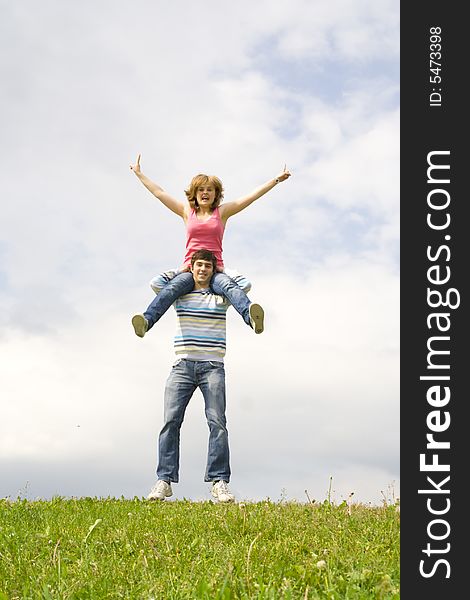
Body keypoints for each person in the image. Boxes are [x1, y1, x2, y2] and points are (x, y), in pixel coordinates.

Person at [129, 155, 291, 338]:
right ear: (195, 194)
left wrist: (276, 180)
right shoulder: (186, 212)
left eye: (209, 190)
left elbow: (251, 197)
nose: (205, 193)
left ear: (216, 194)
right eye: (201, 190)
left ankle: (251, 318)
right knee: (172, 288)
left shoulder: (221, 213)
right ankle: (146, 321)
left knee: (229, 286)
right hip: (190, 270)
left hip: (215, 270)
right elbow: (159, 193)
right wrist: (139, 173)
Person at [147, 249, 247, 503]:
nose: (202, 269)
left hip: (212, 366)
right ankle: (164, 481)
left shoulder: (220, 298)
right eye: (198, 265)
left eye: (207, 266)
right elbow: (156, 284)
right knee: (170, 421)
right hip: (182, 365)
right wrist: (180, 271)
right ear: (192, 268)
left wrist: (224, 273)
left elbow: (245, 285)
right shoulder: (181, 296)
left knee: (217, 422)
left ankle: (219, 482)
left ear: (213, 271)